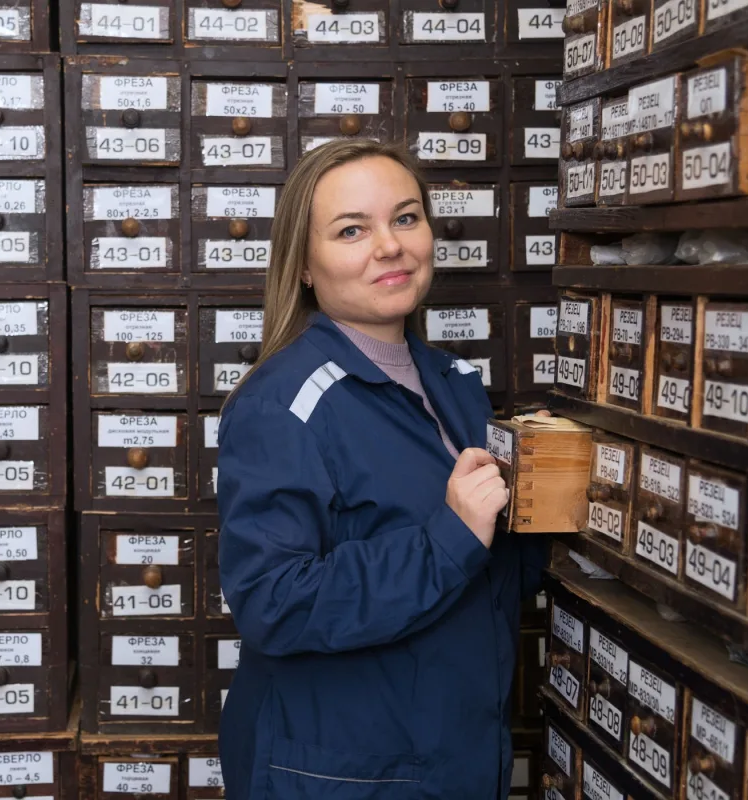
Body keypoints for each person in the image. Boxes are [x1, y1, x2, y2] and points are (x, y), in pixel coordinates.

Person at [215, 139, 548, 799]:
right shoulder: (281, 403)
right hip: (344, 775)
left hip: (451, 755)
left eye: (405, 217)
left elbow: (479, 572)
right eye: (351, 230)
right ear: (304, 266)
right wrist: (448, 538)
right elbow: (271, 602)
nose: (391, 246)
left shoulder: (453, 385)